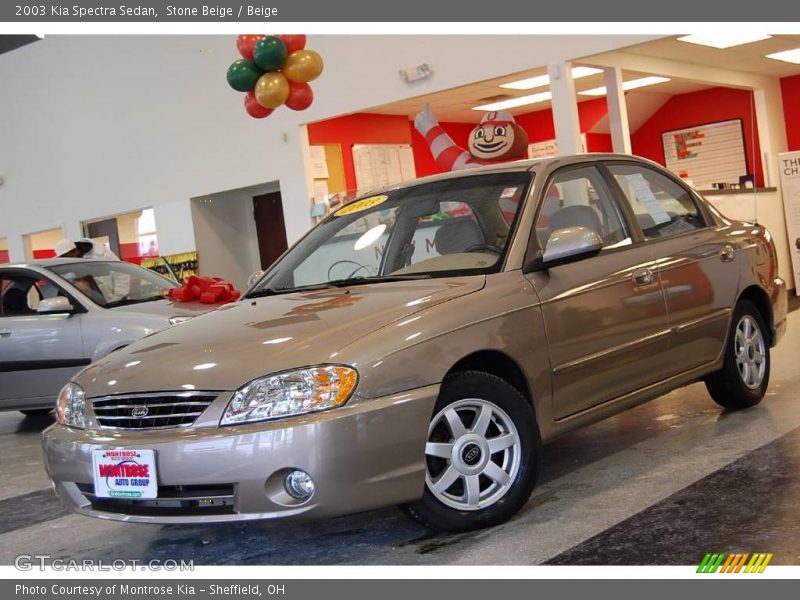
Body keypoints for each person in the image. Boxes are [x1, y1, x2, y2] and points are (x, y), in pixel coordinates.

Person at [54, 238, 120, 261]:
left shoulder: (102, 255)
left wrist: (119, 292)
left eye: (66, 256)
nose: (66, 259)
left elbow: (119, 274)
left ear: (74, 251)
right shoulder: (76, 260)